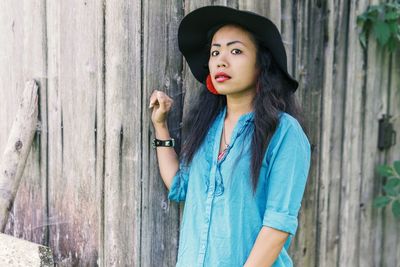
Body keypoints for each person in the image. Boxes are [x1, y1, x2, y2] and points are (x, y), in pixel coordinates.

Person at [149, 5, 312, 267]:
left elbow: (277, 226)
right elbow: (181, 186)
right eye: (215, 52)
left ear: (262, 65)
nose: (221, 60)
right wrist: (160, 127)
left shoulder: (285, 133)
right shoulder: (208, 129)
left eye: (236, 51)